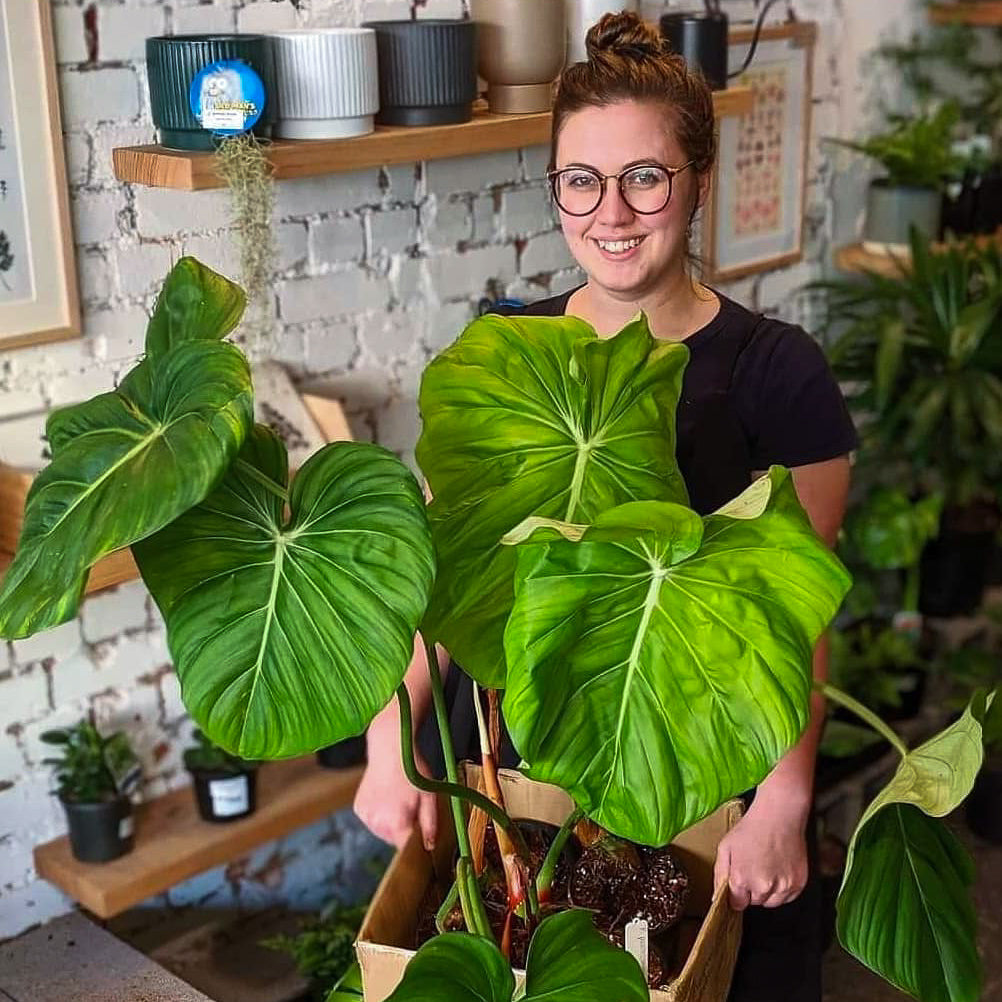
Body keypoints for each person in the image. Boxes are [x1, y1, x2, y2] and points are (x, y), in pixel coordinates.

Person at [354, 12, 856, 1001]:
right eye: (580, 179)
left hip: (701, 756)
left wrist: (785, 800)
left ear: (698, 183)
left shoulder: (777, 373)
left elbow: (798, 614)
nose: (610, 210)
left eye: (646, 177)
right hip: (525, 775)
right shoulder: (514, 351)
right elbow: (441, 563)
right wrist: (389, 742)